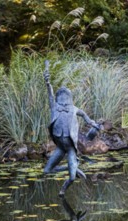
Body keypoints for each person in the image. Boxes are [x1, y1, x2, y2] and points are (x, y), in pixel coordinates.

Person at [43, 60, 102, 196]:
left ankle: (63, 189)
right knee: (47, 171)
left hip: (70, 148)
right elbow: (50, 94)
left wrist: (94, 124)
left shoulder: (75, 109)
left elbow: (87, 119)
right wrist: (47, 82)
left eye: (65, 95)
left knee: (71, 177)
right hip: (60, 147)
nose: (63, 97)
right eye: (61, 95)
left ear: (69, 97)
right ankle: (71, 168)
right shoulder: (54, 107)